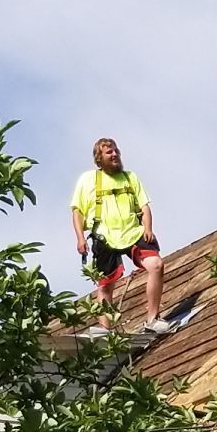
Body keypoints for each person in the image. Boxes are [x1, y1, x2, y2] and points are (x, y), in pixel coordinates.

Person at [71, 137, 168, 332]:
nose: (115, 155)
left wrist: (148, 228)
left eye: (116, 151)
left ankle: (152, 318)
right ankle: (105, 331)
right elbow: (77, 211)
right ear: (99, 158)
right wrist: (80, 238)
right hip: (104, 237)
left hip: (133, 232)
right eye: (109, 152)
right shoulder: (87, 180)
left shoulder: (130, 177)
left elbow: (144, 206)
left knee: (156, 265)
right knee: (106, 286)